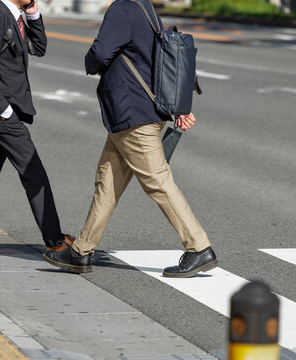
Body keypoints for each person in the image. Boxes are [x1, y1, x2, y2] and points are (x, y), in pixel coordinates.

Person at [43, 0, 217, 277]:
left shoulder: (122, 9)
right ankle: (81, 251)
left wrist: (92, 63)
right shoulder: (144, 7)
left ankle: (199, 247)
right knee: (107, 181)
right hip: (135, 114)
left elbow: (99, 55)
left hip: (133, 114)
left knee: (158, 181)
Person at [0, 0, 74, 259]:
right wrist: (3, 110)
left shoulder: (12, 16)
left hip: (4, 110)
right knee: (33, 171)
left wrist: (34, 14)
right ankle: (55, 241)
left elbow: (39, 47)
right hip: (1, 112)